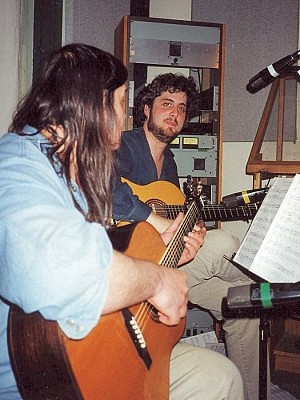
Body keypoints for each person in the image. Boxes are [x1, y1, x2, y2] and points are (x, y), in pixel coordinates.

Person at [0, 44, 244, 399]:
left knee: (219, 376)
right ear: (91, 105)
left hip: (103, 339)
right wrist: (158, 280)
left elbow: (113, 247)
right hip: (44, 378)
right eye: (118, 103)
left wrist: (166, 247)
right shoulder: (17, 165)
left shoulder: (77, 167)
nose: (121, 117)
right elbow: (61, 271)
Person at [112, 73, 266, 400]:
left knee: (245, 306)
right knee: (224, 244)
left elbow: (177, 226)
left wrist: (192, 233)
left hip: (172, 266)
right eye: (167, 104)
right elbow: (108, 190)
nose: (175, 114)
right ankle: (274, 279)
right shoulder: (122, 145)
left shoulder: (170, 165)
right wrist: (155, 220)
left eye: (182, 108)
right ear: (146, 109)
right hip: (133, 267)